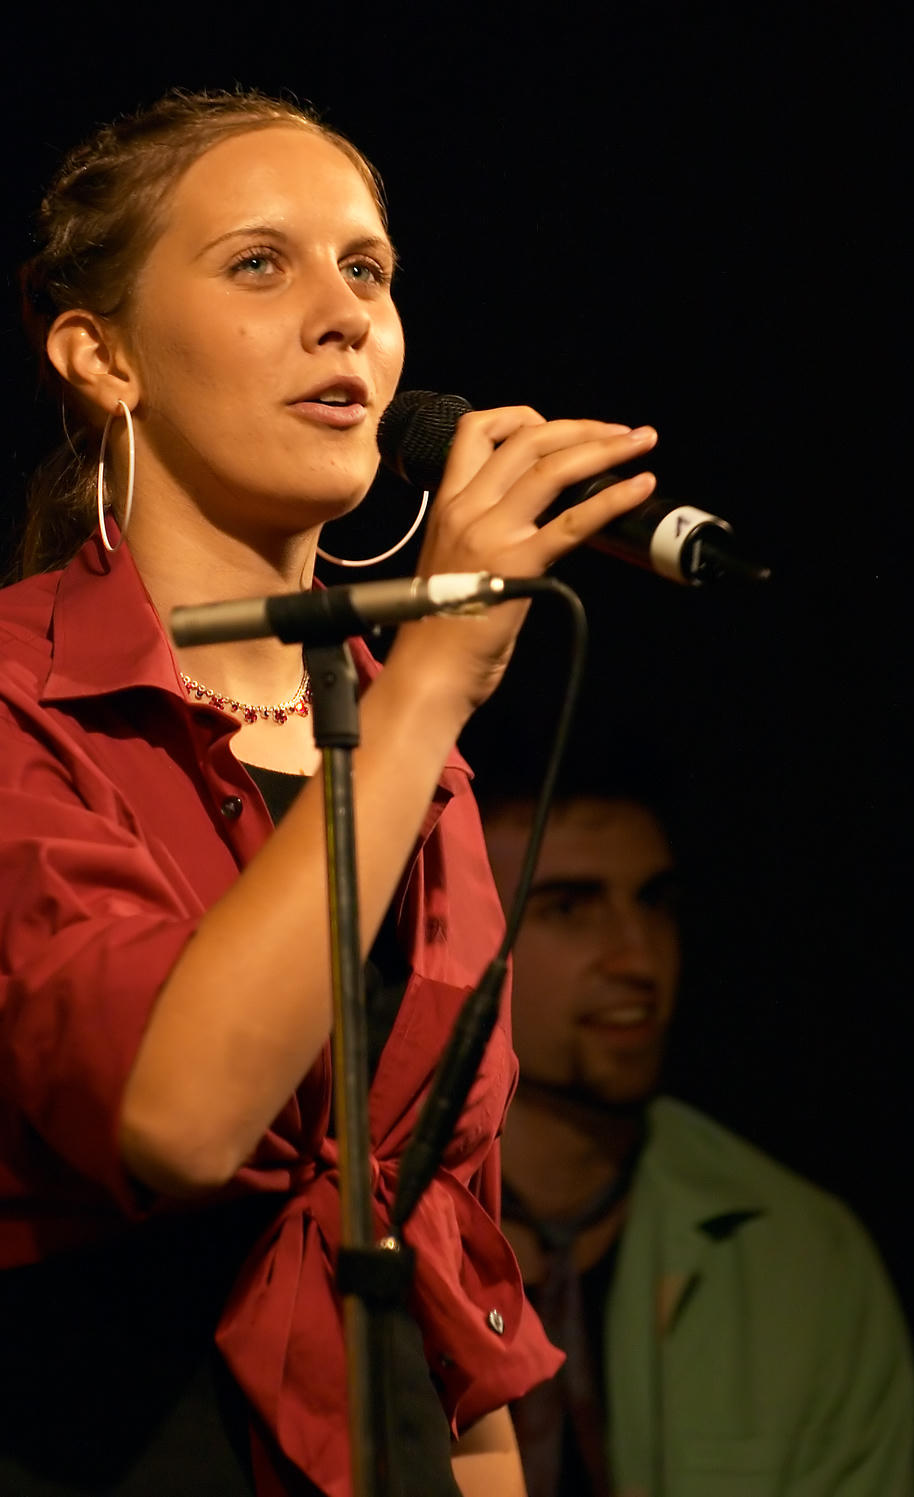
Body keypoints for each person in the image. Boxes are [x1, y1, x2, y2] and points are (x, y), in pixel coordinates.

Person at [0, 89, 662, 1497]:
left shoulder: (409, 737)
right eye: (260, 264)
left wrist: (418, 700)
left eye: (367, 269)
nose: (344, 315)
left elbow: (454, 1279)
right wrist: (436, 677)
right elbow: (178, 1119)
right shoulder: (21, 701)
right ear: (102, 355)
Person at [482, 785, 914, 1497]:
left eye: (655, 903)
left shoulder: (796, 1250)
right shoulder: (353, 1228)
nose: (638, 958)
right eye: (568, 908)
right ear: (454, 935)